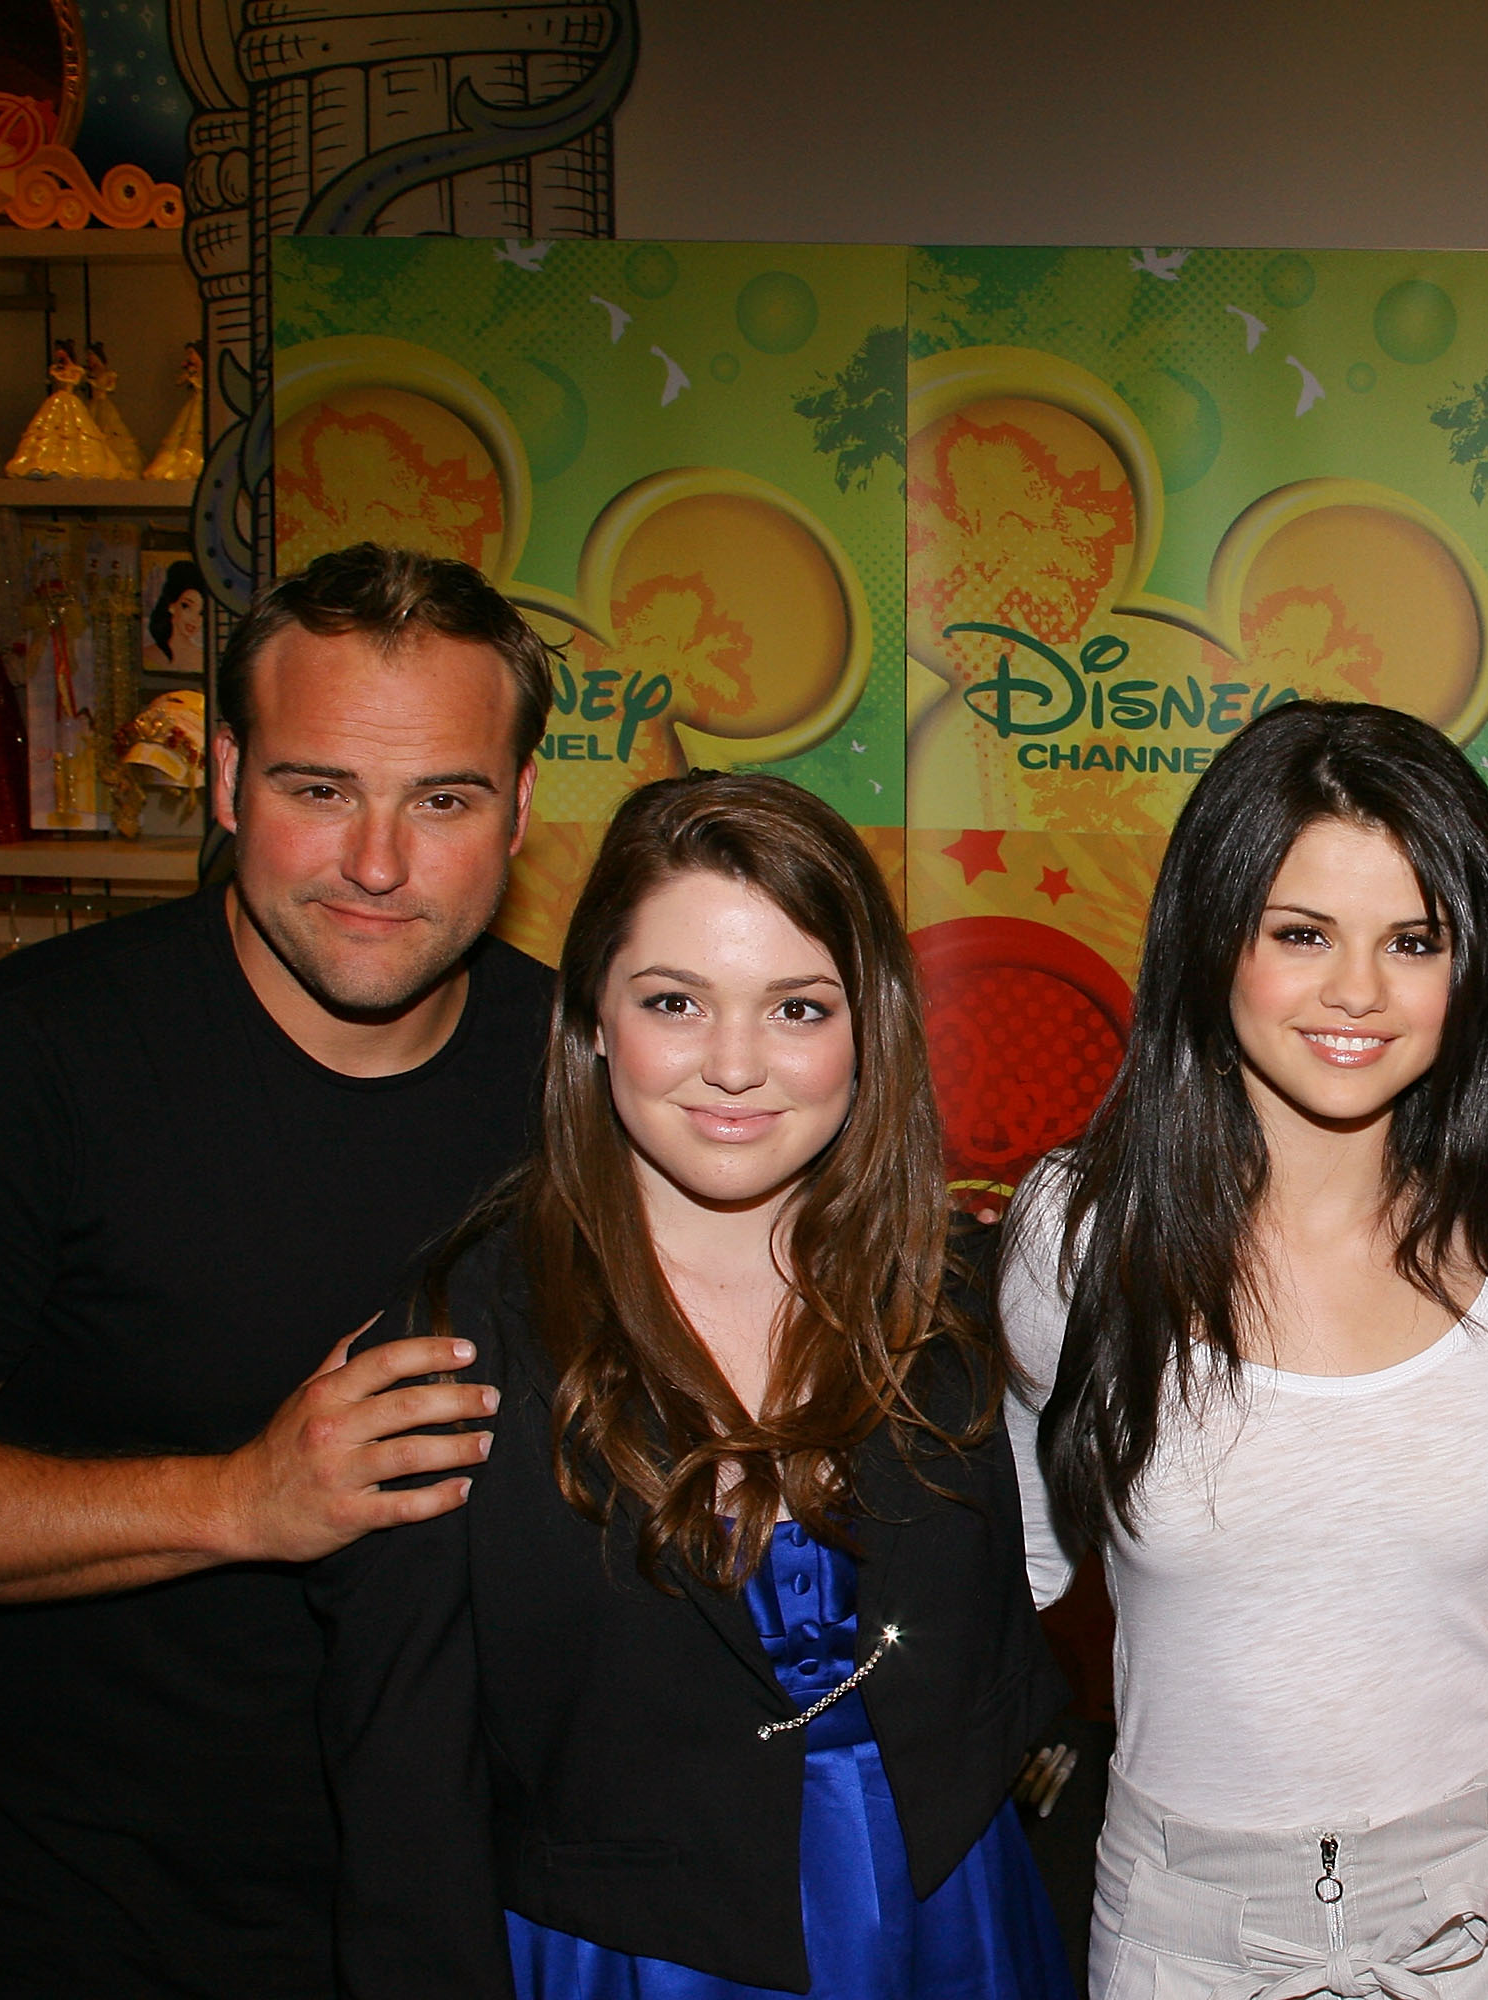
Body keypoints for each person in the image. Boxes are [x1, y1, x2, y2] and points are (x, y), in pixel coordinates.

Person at [0, 543, 555, 1997]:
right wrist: (240, 1500)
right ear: (231, 779)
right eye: (321, 791)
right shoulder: (15, 1073)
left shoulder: (590, 1076)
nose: (378, 862)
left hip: (460, 1927)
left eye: (443, 799)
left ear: (521, 812)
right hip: (57, 1930)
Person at [315, 772, 1072, 1998]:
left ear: (867, 1025)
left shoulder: (961, 1303)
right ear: (594, 1020)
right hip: (634, 1962)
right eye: (675, 1000)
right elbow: (405, 1802)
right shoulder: (459, 1345)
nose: (734, 1065)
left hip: (957, 1927)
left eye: (795, 1007)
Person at [1003, 700, 1488, 1997]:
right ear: (1214, 941)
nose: (1357, 991)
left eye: (1411, 940)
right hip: (1183, 1929)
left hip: (1486, 1911)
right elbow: (1012, 1550)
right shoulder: (1080, 1237)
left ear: (1469, 966)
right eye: (1301, 933)